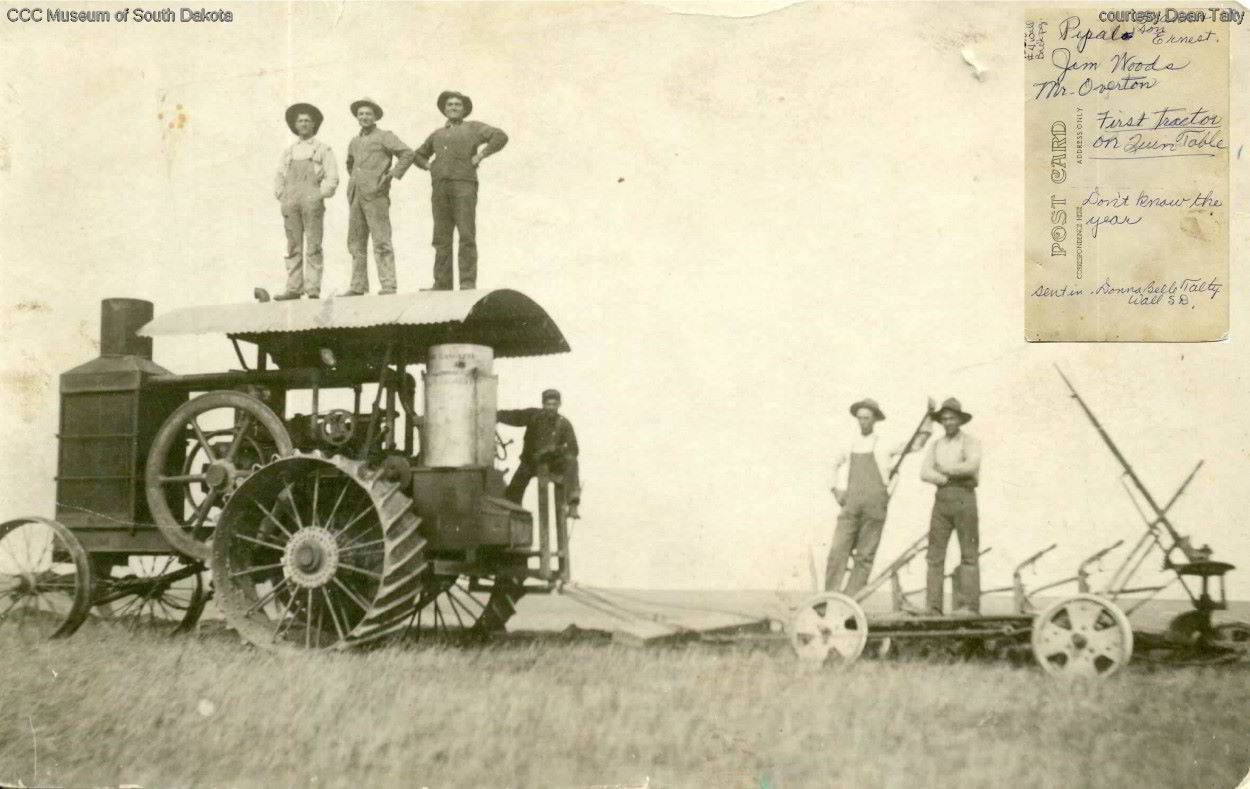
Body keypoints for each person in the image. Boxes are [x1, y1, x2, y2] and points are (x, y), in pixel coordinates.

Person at [826, 398, 932, 595]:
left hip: (875, 508)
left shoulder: (885, 444)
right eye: (859, 418)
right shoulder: (849, 443)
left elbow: (915, 445)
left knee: (865, 557)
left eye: (867, 418)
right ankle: (827, 600)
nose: (862, 422)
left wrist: (928, 422)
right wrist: (835, 489)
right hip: (851, 505)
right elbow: (831, 463)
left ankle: (850, 602)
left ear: (875, 419)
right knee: (837, 552)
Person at [413, 91, 509, 291]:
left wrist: (481, 155)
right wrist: (430, 166)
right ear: (444, 109)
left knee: (466, 234)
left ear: (464, 109)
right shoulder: (437, 134)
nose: (454, 107)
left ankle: (467, 283)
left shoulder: (473, 128)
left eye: (458, 105)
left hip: (464, 185)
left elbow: (500, 136)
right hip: (440, 188)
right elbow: (419, 155)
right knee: (441, 237)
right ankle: (442, 284)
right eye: (450, 105)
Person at [343, 98, 414, 296]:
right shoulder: (354, 141)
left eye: (368, 114)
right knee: (356, 242)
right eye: (361, 114)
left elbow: (407, 153)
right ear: (357, 117)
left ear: (375, 117)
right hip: (356, 195)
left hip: (376, 196)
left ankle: (388, 285)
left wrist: (390, 175)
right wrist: (359, 180)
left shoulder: (385, 136)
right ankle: (357, 286)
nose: (364, 117)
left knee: (381, 241)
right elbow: (350, 164)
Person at [919, 398, 983, 616]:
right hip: (942, 500)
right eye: (944, 419)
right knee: (934, 556)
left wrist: (945, 469)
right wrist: (944, 478)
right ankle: (933, 608)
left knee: (969, 554)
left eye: (952, 418)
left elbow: (972, 465)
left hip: (965, 499)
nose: (948, 422)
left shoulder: (971, 442)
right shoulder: (935, 444)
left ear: (960, 420)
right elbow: (924, 472)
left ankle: (970, 608)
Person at [273, 103, 338, 300]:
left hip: (312, 200)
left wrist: (319, 195)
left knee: (313, 245)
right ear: (295, 125)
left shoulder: (322, 149)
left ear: (314, 124)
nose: (303, 124)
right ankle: (293, 288)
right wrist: (282, 195)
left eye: (307, 121)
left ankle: (312, 289)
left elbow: (332, 177)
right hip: (290, 201)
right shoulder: (289, 151)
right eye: (300, 121)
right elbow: (279, 176)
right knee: (293, 245)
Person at [497, 389, 580, 519]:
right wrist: (495, 415)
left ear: (559, 404)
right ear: (543, 404)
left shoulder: (564, 424)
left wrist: (555, 449)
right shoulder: (533, 416)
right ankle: (514, 515)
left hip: (552, 464)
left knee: (572, 462)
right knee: (514, 490)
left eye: (554, 404)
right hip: (531, 462)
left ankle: (573, 503)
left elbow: (574, 449)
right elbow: (516, 417)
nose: (551, 408)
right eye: (548, 404)